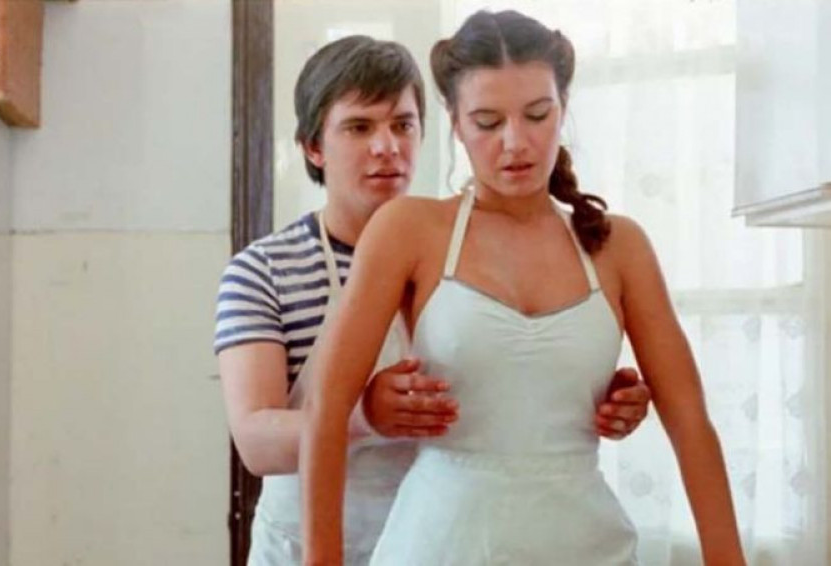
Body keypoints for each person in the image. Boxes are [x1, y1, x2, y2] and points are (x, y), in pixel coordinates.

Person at [300, 11, 745, 566]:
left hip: (588, 547)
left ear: (563, 107)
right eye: (487, 122)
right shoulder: (408, 230)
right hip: (440, 546)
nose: (516, 142)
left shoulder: (618, 246)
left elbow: (689, 420)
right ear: (455, 123)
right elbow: (326, 406)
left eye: (538, 114)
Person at [215, 34, 653, 566]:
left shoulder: (465, 251)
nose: (387, 147)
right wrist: (367, 415)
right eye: (359, 127)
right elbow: (255, 442)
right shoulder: (263, 271)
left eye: (403, 125)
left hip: (440, 543)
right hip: (308, 546)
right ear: (313, 146)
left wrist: (585, 389)